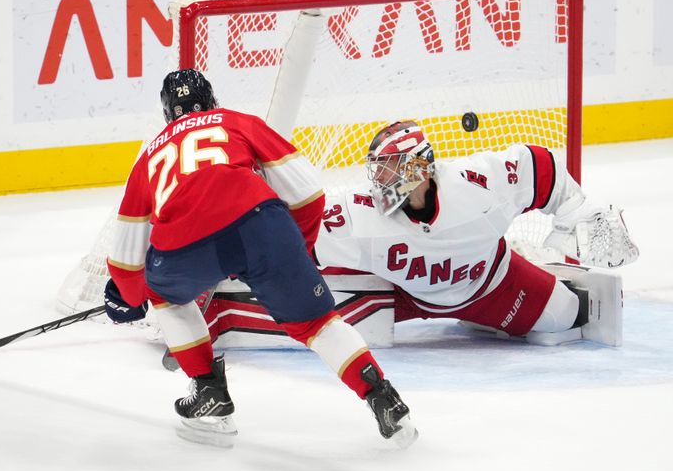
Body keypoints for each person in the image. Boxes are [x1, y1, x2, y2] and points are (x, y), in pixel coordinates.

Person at [102, 69, 417, 445]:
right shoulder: (238, 121)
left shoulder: (150, 155)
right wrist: (292, 248)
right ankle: (384, 400)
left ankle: (209, 393)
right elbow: (310, 193)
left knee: (164, 296)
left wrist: (133, 297)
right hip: (262, 223)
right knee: (317, 324)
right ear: (212, 99)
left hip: (185, 246)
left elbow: (124, 261)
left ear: (168, 114)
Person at [314, 120, 639, 346]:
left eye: (390, 166)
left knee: (565, 314)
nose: (380, 178)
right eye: (378, 167)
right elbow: (302, 232)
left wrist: (578, 211)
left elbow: (541, 166)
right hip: (405, 296)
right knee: (322, 320)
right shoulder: (357, 211)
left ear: (417, 167)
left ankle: (514, 282)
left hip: (491, 284)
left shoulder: (475, 186)